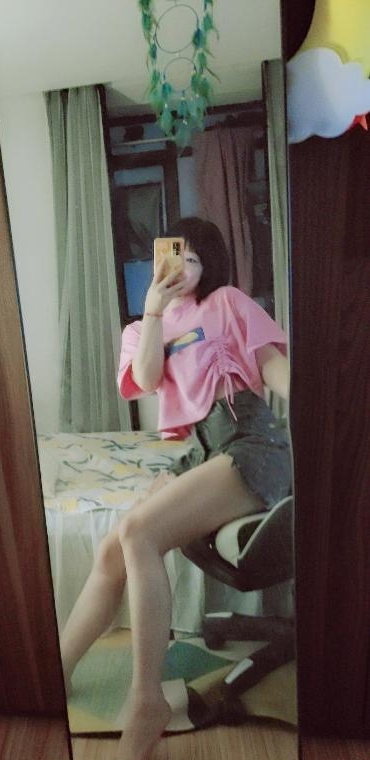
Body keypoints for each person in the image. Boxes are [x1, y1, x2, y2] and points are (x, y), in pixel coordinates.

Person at [59, 217, 292, 760]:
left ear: (209, 267)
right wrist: (153, 312)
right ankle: (58, 669)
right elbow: (145, 380)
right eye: (173, 255)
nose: (182, 266)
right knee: (113, 547)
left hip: (249, 440)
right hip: (202, 451)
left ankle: (146, 701)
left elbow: (274, 368)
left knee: (138, 533)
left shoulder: (227, 302)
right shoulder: (142, 328)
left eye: (193, 258)